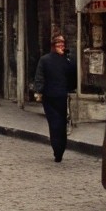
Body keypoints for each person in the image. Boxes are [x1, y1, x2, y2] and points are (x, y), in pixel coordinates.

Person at [32, 31, 77, 162]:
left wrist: (69, 59)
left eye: (62, 43)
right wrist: (39, 91)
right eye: (58, 43)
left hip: (61, 96)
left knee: (61, 123)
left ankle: (60, 150)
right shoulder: (45, 60)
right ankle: (57, 149)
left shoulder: (67, 60)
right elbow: (40, 76)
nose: (61, 45)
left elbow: (73, 76)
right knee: (55, 123)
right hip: (49, 97)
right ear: (53, 45)